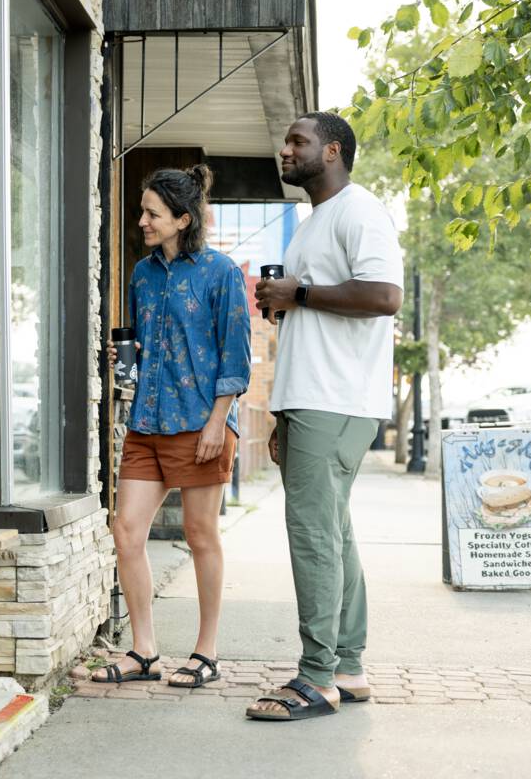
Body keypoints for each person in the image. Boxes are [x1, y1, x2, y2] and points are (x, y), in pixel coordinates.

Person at [247, 112, 404, 721]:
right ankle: (348, 667)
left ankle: (316, 678)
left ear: (331, 151)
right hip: (312, 399)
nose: (285, 150)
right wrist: (288, 304)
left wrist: (300, 295)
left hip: (336, 399)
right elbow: (317, 312)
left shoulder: (360, 211)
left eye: (297, 142)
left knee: (313, 535)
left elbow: (385, 296)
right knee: (332, 531)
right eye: (286, 142)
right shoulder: (314, 224)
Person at [92, 165, 251, 689]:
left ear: (183, 219)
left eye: (152, 214)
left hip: (199, 422)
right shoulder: (141, 274)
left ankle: (206, 652)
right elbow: (140, 348)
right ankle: (144, 651)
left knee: (199, 533)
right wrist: (123, 360)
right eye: (142, 211)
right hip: (147, 421)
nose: (141, 221)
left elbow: (235, 356)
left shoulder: (221, 273)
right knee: (126, 531)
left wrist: (217, 421)